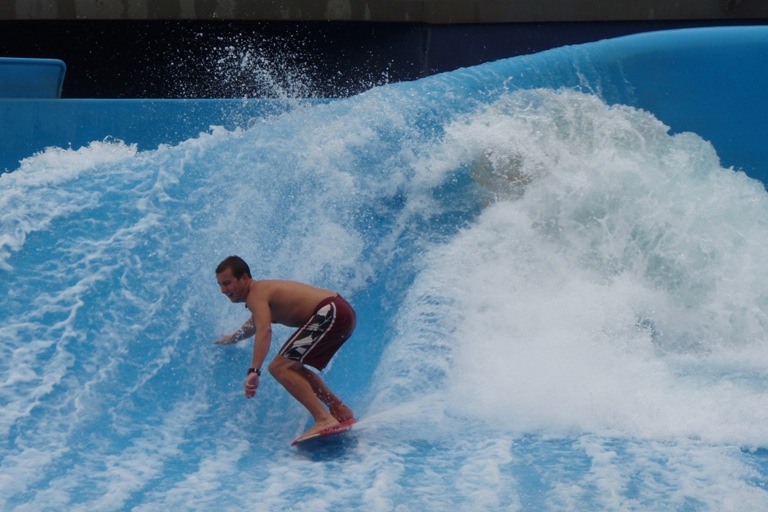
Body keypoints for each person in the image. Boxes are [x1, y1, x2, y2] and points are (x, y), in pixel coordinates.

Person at [214, 255, 357, 442]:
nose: (223, 290)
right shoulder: (259, 294)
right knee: (292, 367)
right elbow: (254, 325)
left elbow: (264, 330)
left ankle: (324, 419)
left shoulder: (256, 294)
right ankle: (338, 409)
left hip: (330, 312)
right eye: (220, 285)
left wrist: (254, 370)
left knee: (278, 368)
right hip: (339, 312)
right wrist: (232, 339)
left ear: (245, 278)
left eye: (227, 283)